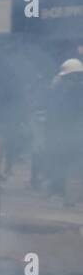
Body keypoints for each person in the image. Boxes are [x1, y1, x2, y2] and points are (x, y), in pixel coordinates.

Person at [47, 58, 83, 207]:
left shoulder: (58, 87)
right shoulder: (63, 88)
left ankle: (61, 195)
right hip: (67, 132)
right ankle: (68, 197)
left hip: (66, 132)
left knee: (64, 165)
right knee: (68, 165)